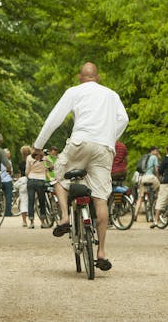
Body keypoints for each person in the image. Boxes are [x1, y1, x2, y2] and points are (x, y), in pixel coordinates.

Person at [33, 62, 129, 272]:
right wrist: (110, 138)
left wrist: (38, 146)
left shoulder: (74, 92)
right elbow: (123, 119)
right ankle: (101, 251)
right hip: (104, 147)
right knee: (101, 197)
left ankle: (66, 216)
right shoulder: (111, 94)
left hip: (80, 142)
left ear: (80, 77)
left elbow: (54, 119)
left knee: (57, 176)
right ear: (98, 76)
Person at [134, 146, 161, 221]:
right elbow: (156, 169)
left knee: (140, 197)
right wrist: (158, 177)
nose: (157, 152)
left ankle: (135, 215)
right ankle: (156, 201)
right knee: (160, 189)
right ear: (153, 151)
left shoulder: (144, 157)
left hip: (143, 178)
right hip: (151, 178)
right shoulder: (154, 157)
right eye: (156, 151)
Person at [26, 148, 50, 229]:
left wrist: (28, 177)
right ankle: (43, 222)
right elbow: (52, 166)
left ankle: (31, 222)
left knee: (31, 201)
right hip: (41, 180)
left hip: (31, 179)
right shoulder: (43, 157)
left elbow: (27, 171)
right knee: (42, 201)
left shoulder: (29, 157)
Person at [16, 145, 32, 227]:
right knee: (31, 201)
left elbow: (20, 173)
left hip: (22, 182)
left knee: (23, 201)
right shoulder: (32, 161)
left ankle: (24, 221)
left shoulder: (21, 163)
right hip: (30, 180)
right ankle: (32, 220)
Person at [0, 148, 14, 217]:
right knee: (8, 197)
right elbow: (11, 172)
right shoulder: (8, 162)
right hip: (7, 180)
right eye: (8, 153)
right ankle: (7, 212)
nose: (9, 154)